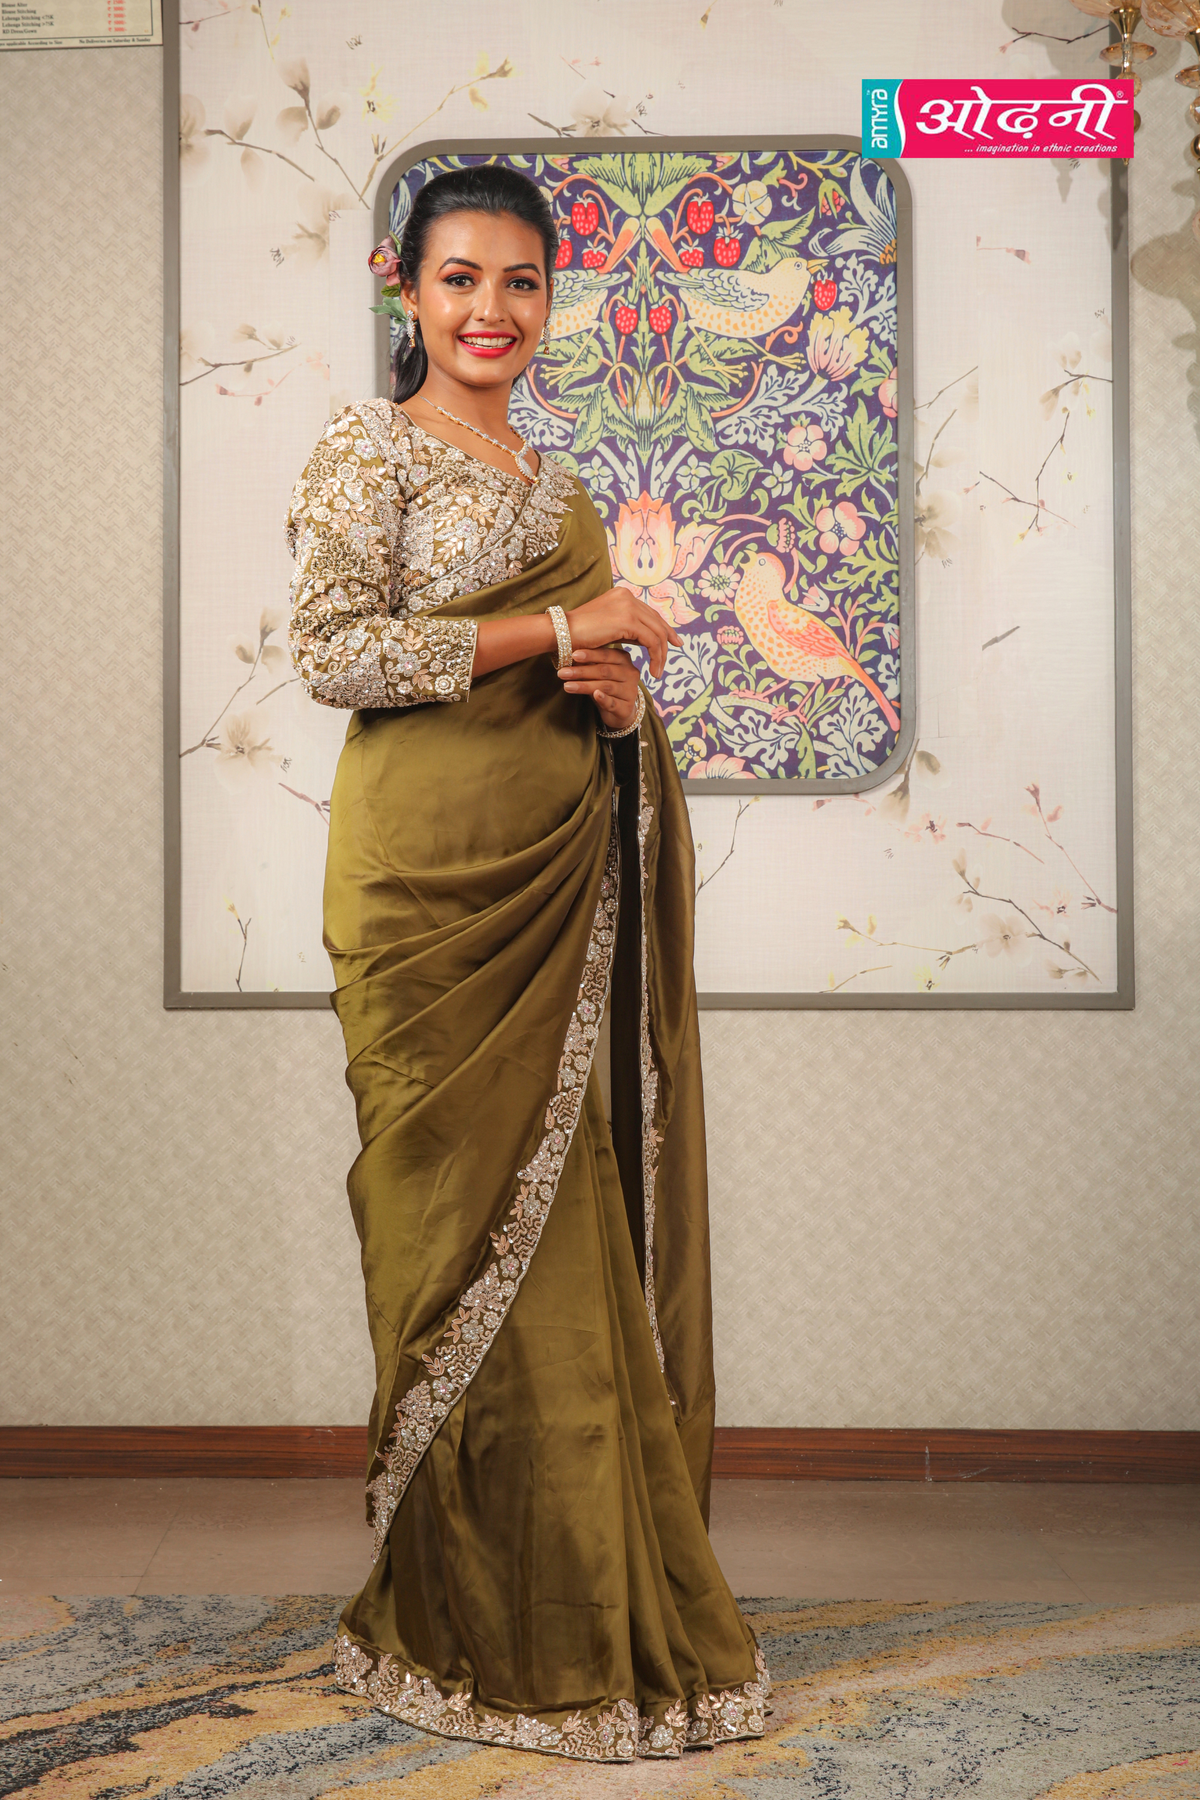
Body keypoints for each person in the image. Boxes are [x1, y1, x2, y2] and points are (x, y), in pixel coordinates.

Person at [285, 162, 768, 1764]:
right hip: (425, 894)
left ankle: (580, 1603)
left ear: (551, 299)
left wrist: (620, 706)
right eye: (460, 279)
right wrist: (561, 630)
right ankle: (455, 1615)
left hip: (557, 884)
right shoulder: (367, 449)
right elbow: (336, 652)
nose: (491, 310)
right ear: (402, 285)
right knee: (449, 1246)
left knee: (570, 1243)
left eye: (521, 282)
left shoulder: (561, 491)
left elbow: (594, 688)